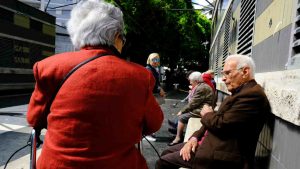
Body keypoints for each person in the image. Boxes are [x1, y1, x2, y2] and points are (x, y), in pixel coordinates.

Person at [26, 1, 164, 169]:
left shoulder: (49, 67)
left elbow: (34, 118)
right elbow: (154, 123)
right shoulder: (139, 76)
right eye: (123, 38)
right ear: (115, 37)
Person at [155, 54, 271, 169]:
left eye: (228, 73)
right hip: (211, 143)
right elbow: (216, 120)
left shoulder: (252, 96)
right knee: (167, 152)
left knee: (163, 162)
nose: (224, 78)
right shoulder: (240, 92)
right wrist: (194, 138)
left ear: (245, 72)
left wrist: (207, 114)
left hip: (222, 154)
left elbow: (222, 124)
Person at [168, 71, 214, 146]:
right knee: (182, 115)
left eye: (190, 81)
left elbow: (193, 103)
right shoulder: (201, 86)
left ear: (196, 81)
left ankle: (178, 138)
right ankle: (176, 131)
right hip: (202, 107)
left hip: (202, 110)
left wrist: (182, 111)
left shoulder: (201, 88)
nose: (189, 82)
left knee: (182, 117)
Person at [144, 53, 166, 142]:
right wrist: (159, 89)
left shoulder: (152, 69)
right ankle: (147, 133)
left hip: (153, 95)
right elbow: (150, 84)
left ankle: (149, 132)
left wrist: (160, 89)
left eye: (157, 60)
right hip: (150, 95)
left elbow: (156, 83)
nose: (156, 61)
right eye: (154, 59)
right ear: (149, 60)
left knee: (152, 114)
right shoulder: (148, 69)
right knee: (150, 114)